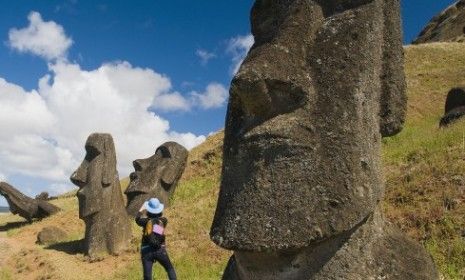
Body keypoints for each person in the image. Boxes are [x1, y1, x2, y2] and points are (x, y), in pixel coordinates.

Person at [136, 198, 177, 280]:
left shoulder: (145, 222)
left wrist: (141, 209)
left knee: (147, 276)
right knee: (169, 269)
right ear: (159, 209)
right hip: (160, 249)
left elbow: (137, 219)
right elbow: (157, 229)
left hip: (146, 251)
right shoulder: (164, 221)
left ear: (148, 210)